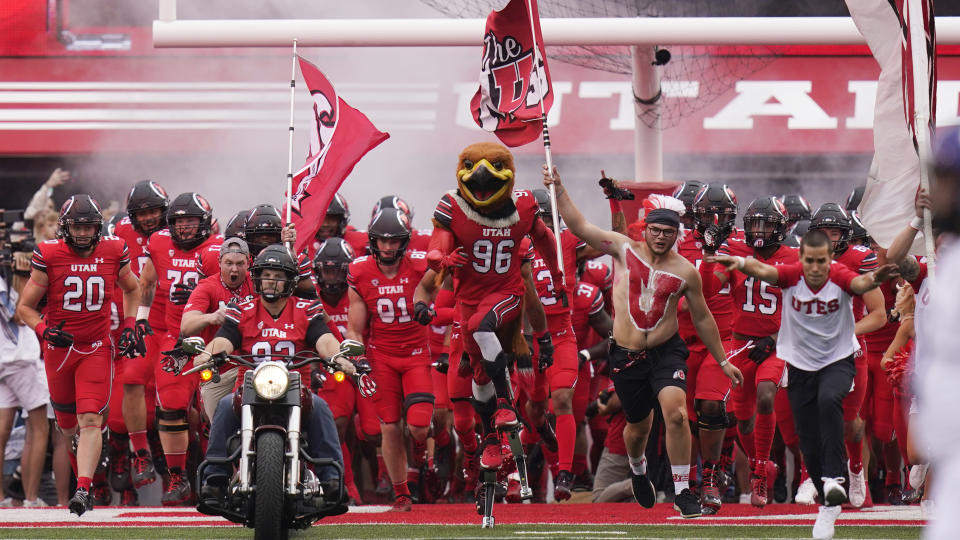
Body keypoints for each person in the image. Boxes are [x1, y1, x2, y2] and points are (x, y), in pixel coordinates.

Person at [543, 165, 742, 519]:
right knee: (638, 427)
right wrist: (558, 189)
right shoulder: (624, 249)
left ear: (677, 234)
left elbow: (702, 318)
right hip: (627, 353)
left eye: (668, 232)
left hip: (666, 352)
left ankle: (683, 491)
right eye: (655, 230)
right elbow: (580, 227)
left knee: (678, 414)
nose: (661, 237)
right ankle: (638, 471)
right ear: (646, 229)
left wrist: (723, 360)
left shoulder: (685, 270)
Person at [706, 229, 899, 540]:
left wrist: (876, 279)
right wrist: (739, 263)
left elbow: (861, 284)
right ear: (802, 259)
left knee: (829, 401)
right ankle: (826, 502)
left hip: (837, 358)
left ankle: (836, 480)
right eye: (809, 260)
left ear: (830, 259)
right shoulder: (794, 273)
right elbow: (764, 270)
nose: (815, 267)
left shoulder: (838, 274)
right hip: (800, 361)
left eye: (821, 261)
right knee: (806, 435)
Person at [196, 244, 355, 510]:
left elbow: (325, 340)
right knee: (224, 406)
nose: (271, 281)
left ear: (290, 281)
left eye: (278, 276)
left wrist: (337, 356)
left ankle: (332, 481)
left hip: (296, 391)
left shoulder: (306, 309)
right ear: (257, 277)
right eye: (266, 275)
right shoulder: (242, 309)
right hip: (248, 391)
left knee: (322, 408)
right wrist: (208, 354)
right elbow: (224, 340)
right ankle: (215, 478)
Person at [16, 194, 142, 516]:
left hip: (97, 347)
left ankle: (83, 488)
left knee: (90, 420)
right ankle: (88, 478)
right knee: (68, 427)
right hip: (59, 350)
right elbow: (25, 307)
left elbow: (133, 287)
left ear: (98, 227)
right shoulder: (49, 254)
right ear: (64, 227)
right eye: (78, 226)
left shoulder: (114, 250)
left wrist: (130, 324)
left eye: (89, 227)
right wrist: (44, 330)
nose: (84, 233)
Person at [702, 196, 797, 507]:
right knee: (741, 421)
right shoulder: (735, 249)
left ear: (781, 228)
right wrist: (709, 254)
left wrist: (772, 338)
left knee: (767, 393)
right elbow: (709, 289)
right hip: (741, 341)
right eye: (754, 224)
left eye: (766, 225)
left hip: (777, 342)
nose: (759, 231)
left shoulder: (792, 256)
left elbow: (802, 310)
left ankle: (758, 473)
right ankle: (760, 461)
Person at [347, 208, 436, 511]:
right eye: (382, 241)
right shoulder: (359, 272)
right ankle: (401, 492)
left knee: (420, 427)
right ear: (373, 241)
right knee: (389, 426)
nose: (387, 247)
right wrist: (358, 357)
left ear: (404, 242)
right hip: (382, 356)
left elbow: (450, 289)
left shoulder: (420, 267)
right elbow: (355, 328)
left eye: (393, 241)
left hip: (414, 355)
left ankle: (422, 453)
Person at [136, 192, 220, 505]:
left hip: (214, 337)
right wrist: (142, 319)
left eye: (190, 220)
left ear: (205, 222)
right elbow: (146, 282)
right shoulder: (158, 242)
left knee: (218, 408)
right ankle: (177, 476)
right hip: (177, 337)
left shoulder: (218, 248)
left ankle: (221, 474)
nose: (184, 227)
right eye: (179, 221)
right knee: (170, 405)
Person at [113, 180, 170, 491]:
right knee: (129, 386)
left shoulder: (184, 227)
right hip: (137, 321)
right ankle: (138, 455)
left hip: (174, 322)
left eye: (154, 211)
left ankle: (179, 473)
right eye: (142, 212)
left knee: (178, 402)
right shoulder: (120, 232)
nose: (148, 217)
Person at [180, 238, 254, 422]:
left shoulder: (259, 283)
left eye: (240, 264)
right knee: (219, 426)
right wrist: (211, 317)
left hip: (253, 366)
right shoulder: (208, 286)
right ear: (219, 262)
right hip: (220, 368)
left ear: (248, 263)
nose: (234, 269)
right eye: (229, 263)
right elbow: (186, 325)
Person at [0, 257, 50, 508]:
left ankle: (2, 498)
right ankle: (30, 498)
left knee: (3, 430)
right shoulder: (3, 281)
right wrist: (20, 275)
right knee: (39, 428)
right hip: (19, 357)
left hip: (4, 360)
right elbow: (19, 314)